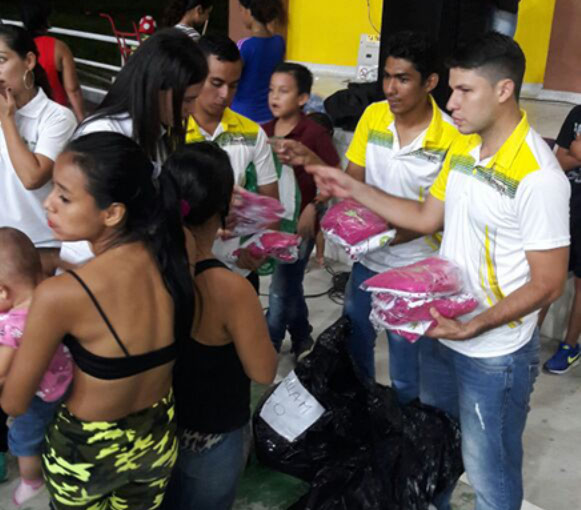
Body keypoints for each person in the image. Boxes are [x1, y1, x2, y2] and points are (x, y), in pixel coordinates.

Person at [308, 32, 570, 510]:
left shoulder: (539, 176)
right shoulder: (466, 152)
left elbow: (549, 281)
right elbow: (426, 217)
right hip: (443, 327)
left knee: (492, 474)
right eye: (451, 89)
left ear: (504, 90)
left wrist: (475, 325)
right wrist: (348, 185)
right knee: (436, 436)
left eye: (463, 90)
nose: (451, 102)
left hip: (493, 352)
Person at [0, 131, 194, 510]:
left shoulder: (62, 296)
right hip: (156, 435)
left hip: (85, 452)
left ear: (113, 213)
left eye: (65, 197)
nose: (49, 204)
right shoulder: (173, 252)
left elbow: (14, 401)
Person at [298, 31, 458, 402]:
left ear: (430, 82)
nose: (390, 88)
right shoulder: (373, 116)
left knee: (405, 365)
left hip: (416, 268)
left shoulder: (452, 137)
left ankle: (403, 422)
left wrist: (385, 236)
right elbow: (353, 182)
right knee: (356, 342)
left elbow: (442, 216)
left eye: (402, 79)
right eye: (386, 76)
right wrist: (346, 222)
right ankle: (364, 409)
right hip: (368, 262)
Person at [152, 142, 277, 510]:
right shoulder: (229, 289)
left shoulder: (147, 269)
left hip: (157, 431)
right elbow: (263, 370)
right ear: (224, 210)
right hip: (214, 439)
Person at [60, 28, 208, 266]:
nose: (191, 110)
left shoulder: (157, 133)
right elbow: (90, 214)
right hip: (95, 268)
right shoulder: (105, 134)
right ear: (157, 88)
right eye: (188, 100)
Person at [185, 33, 279, 290]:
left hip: (236, 270)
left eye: (234, 85)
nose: (225, 95)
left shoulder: (252, 133)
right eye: (216, 83)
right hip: (183, 270)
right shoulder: (172, 131)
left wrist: (258, 250)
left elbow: (271, 204)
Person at [263, 62, 340, 359]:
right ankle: (302, 336)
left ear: (303, 98)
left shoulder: (314, 133)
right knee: (290, 284)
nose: (275, 96)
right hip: (273, 222)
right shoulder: (263, 131)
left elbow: (334, 176)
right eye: (271, 90)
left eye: (283, 91)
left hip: (302, 222)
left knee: (281, 287)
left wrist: (314, 206)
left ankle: (268, 346)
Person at [0, 228, 72, 506]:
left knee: (22, 439)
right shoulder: (48, 294)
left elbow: (2, 372)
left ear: (3, 290)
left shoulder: (13, 326)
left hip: (40, 394)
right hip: (67, 376)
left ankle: (32, 481)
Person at [0, 24, 76, 277]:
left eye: (1, 60)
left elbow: (32, 177)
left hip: (41, 248)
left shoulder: (57, 118)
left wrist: (7, 120)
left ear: (29, 61)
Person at [541, 105, 581, 374]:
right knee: (548, 276)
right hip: (566, 207)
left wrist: (577, 152)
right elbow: (559, 161)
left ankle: (570, 346)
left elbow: (572, 154)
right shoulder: (577, 113)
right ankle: (528, 338)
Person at [20, 0, 85, 121]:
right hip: (57, 114)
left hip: (23, 113)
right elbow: (73, 89)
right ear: (46, 19)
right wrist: (82, 119)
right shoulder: (59, 47)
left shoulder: (15, 46)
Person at [231, 0, 286, 124]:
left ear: (248, 11)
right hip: (270, 114)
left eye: (241, 10)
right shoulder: (279, 42)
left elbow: (231, 76)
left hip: (243, 115)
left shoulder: (245, 46)